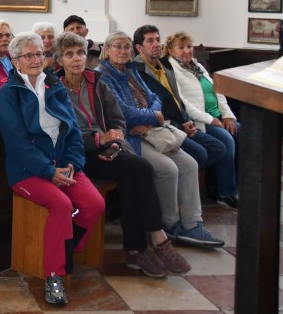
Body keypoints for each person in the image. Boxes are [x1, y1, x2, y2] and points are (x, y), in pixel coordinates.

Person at [55, 32, 190, 277]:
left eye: (80, 53)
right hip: (77, 154)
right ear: (59, 60)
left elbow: (117, 117)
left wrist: (115, 138)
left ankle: (136, 249)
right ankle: (157, 239)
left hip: (108, 148)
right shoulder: (55, 89)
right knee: (141, 168)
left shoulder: (96, 81)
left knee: (132, 175)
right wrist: (98, 139)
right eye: (69, 54)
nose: (76, 59)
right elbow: (61, 133)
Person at [0, 32, 104, 306]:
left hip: (62, 165)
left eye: (39, 54)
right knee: (61, 205)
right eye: (28, 55)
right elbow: (17, 144)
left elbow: (74, 132)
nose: (35, 60)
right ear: (16, 61)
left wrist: (73, 164)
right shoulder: (10, 93)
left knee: (94, 204)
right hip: (27, 170)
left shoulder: (53, 85)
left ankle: (67, 250)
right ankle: (54, 275)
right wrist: (48, 171)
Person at [96, 31, 223, 249]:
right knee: (168, 169)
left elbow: (155, 97)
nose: (123, 51)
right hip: (129, 136)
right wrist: (154, 116)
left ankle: (193, 224)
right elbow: (123, 112)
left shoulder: (130, 70)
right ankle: (170, 224)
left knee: (190, 164)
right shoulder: (102, 76)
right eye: (117, 46)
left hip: (153, 132)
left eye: (127, 47)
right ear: (107, 50)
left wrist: (154, 116)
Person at [132, 25, 226, 172]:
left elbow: (177, 98)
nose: (156, 44)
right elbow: (158, 105)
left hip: (181, 121)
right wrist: (181, 125)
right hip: (162, 126)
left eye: (158, 39)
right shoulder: (136, 71)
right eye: (150, 41)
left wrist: (186, 119)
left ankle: (190, 177)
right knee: (200, 154)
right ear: (139, 47)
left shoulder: (165, 65)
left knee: (218, 148)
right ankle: (181, 178)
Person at [166, 31, 240, 209]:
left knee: (244, 134)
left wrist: (228, 115)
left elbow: (217, 91)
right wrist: (211, 120)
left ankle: (236, 185)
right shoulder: (171, 70)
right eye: (181, 47)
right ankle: (225, 192)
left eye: (189, 46)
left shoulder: (196, 66)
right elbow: (184, 103)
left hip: (218, 116)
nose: (186, 51)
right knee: (227, 140)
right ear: (170, 50)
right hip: (199, 121)